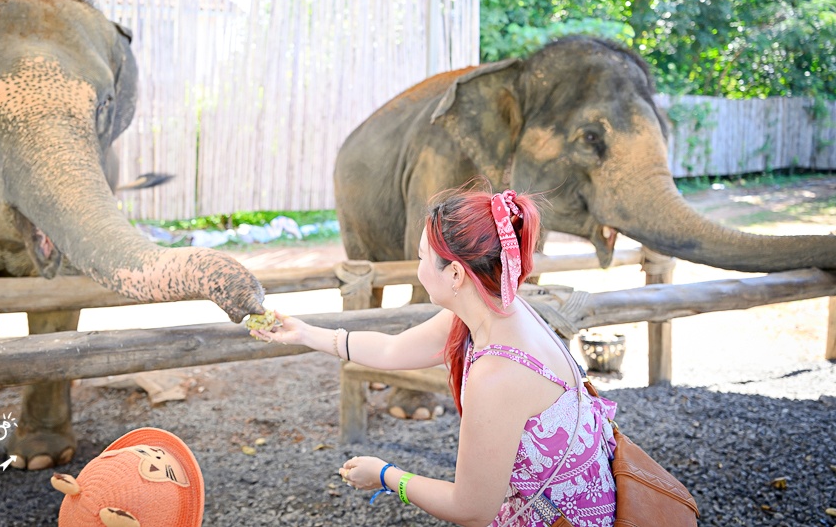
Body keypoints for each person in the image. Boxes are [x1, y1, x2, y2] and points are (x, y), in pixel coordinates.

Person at [251, 186, 617, 527]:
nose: (419, 268)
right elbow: (394, 348)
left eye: (423, 256)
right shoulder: (498, 308)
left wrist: (385, 475)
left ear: (456, 273)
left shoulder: (496, 375)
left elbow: (471, 509)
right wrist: (305, 334)